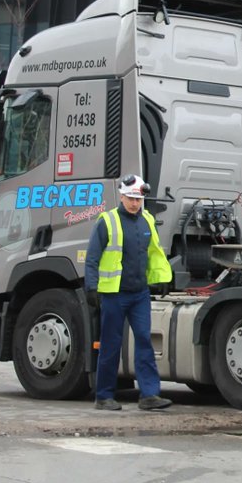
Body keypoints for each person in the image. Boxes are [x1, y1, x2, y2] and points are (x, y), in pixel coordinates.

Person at [84, 174, 174, 411]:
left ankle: (149, 395)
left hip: (139, 294)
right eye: (131, 198)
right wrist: (92, 287)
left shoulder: (146, 220)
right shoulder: (107, 221)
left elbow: (154, 252)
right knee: (111, 344)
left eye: (138, 198)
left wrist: (163, 278)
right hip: (114, 294)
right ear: (122, 196)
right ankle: (103, 396)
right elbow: (92, 258)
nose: (135, 203)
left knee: (144, 340)